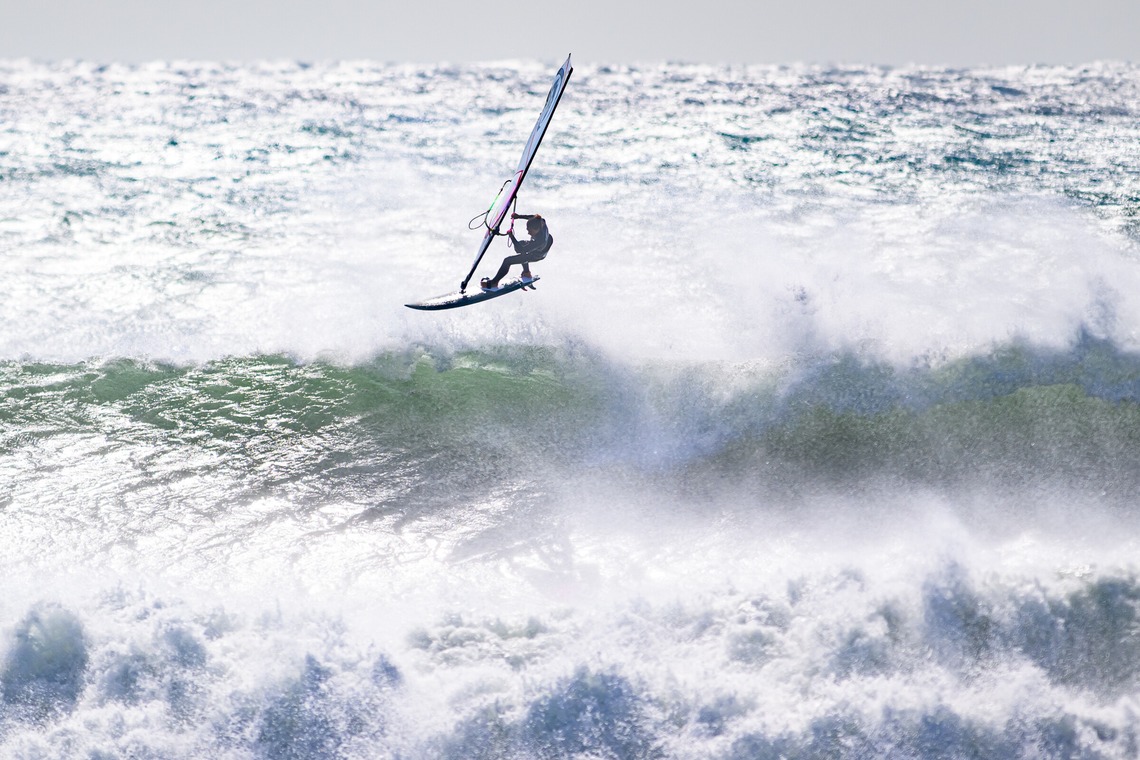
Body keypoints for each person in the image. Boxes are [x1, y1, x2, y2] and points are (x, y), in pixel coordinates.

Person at [480, 213, 553, 289]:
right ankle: (526, 272)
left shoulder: (539, 241)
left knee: (507, 261)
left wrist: (511, 236)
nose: (528, 233)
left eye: (530, 231)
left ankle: (494, 283)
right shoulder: (540, 221)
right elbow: (532, 217)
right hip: (545, 244)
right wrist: (518, 216)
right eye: (527, 230)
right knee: (520, 244)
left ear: (536, 229)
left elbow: (520, 250)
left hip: (537, 255)